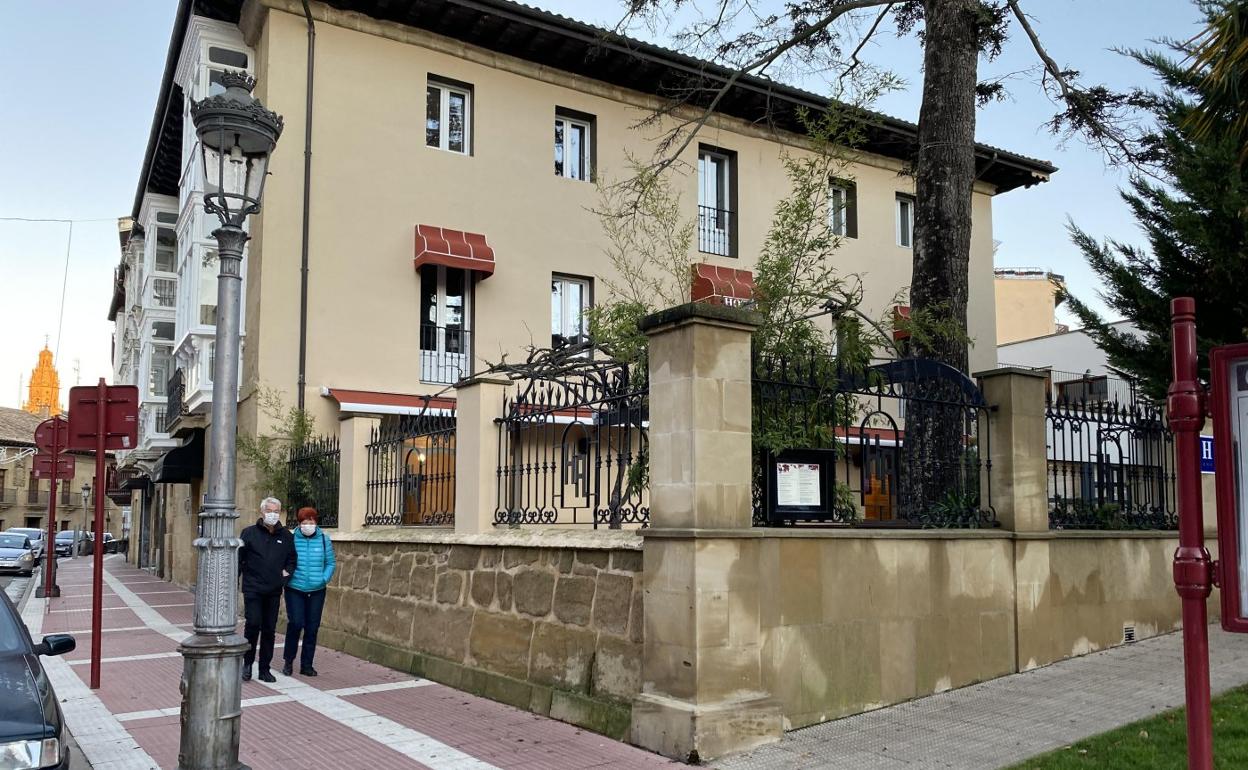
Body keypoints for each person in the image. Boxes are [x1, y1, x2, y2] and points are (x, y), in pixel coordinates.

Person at [238, 497, 296, 683]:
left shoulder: (286, 536)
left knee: (269, 629)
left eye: (276, 511)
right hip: (253, 588)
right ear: (262, 512)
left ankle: (264, 668)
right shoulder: (249, 533)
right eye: (269, 511)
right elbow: (239, 558)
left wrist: (285, 576)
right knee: (253, 624)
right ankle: (247, 664)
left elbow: (292, 560)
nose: (273, 514)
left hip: (273, 590)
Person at [282, 507, 336, 676]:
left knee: (312, 628)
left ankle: (307, 665)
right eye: (304, 522)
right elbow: (284, 560)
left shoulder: (324, 540)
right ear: (299, 524)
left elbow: (330, 563)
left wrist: (323, 579)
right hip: (295, 588)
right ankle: (288, 661)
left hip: (317, 590)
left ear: (316, 522)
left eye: (311, 522)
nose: (308, 525)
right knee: (296, 623)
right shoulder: (291, 539)